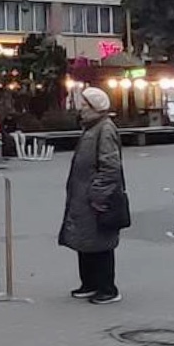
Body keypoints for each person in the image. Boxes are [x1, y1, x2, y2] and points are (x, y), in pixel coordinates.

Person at [58, 87, 125, 304]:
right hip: (82, 196)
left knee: (101, 242)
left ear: (96, 107)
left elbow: (110, 166)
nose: (81, 109)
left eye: (85, 105)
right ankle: (89, 283)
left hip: (96, 198)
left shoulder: (104, 129)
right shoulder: (90, 128)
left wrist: (98, 194)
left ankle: (107, 288)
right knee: (84, 239)